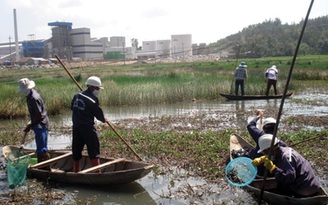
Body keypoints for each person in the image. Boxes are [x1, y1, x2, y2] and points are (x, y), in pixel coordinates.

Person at [252, 134, 320, 198]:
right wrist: (263, 158)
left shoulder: (286, 157)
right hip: (312, 185)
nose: (265, 153)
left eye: (265, 152)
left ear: (271, 149)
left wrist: (273, 169)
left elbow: (289, 178)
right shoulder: (284, 150)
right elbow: (276, 159)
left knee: (280, 184)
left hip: (304, 190)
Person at [71, 76, 109, 173]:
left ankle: (76, 171)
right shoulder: (92, 99)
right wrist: (104, 119)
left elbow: (72, 108)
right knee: (93, 149)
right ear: (91, 87)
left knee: (76, 149)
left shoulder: (77, 96)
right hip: (87, 128)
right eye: (97, 88)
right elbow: (98, 114)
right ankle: (97, 173)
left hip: (76, 127)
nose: (98, 91)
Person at [18, 78, 50, 164]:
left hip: (41, 124)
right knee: (42, 146)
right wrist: (31, 123)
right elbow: (36, 114)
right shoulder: (30, 95)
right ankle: (44, 165)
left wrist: (30, 125)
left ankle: (44, 167)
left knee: (41, 148)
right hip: (39, 123)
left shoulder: (33, 98)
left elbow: (39, 115)